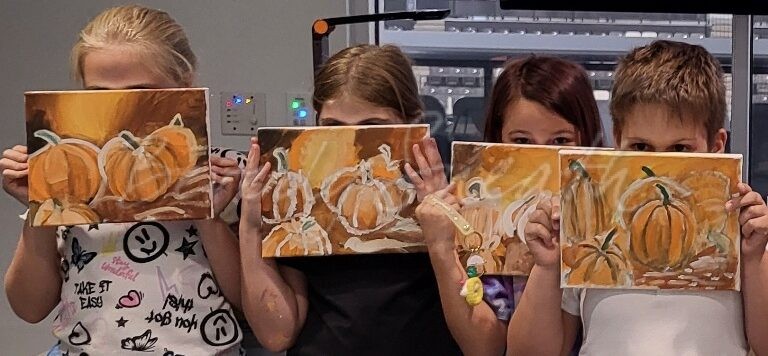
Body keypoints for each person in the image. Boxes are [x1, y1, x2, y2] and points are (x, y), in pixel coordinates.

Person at [2, 5, 244, 354]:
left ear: (185, 85)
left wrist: (209, 214)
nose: (120, 110)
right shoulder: (74, 174)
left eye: (141, 92)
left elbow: (247, 306)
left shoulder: (228, 177)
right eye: (99, 94)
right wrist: (41, 207)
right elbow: (29, 307)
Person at [509, 40, 768, 356]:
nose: (658, 170)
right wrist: (547, 268)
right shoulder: (590, 227)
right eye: (641, 147)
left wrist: (754, 260)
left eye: (680, 149)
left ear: (716, 145)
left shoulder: (744, 233)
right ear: (618, 139)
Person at [238, 44, 462, 356]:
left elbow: (478, 331)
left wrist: (443, 226)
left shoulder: (452, 199)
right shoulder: (303, 202)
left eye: (373, 128)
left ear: (412, 122)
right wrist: (251, 225)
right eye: (333, 128)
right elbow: (277, 334)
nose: (355, 146)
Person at [412, 55, 604, 355]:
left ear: (587, 136)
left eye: (560, 140)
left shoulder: (605, 216)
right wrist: (442, 246)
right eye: (522, 142)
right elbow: (483, 346)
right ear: (497, 139)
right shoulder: (482, 219)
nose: (540, 157)